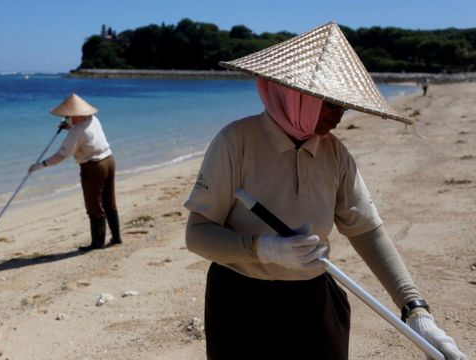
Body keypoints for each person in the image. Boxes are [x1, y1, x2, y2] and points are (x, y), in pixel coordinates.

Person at [184, 22, 465, 359]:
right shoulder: (235, 142)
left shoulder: (335, 154)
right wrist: (264, 249)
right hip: (241, 304)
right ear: (296, 95)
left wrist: (415, 309)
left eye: (344, 106)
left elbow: (367, 231)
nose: (340, 116)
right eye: (332, 105)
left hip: (315, 302)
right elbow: (197, 234)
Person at [29, 93, 122, 251]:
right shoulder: (93, 119)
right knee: (109, 201)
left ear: (77, 115)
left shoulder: (76, 132)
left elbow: (61, 155)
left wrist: (40, 165)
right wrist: (68, 126)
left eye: (69, 116)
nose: (67, 118)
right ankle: (116, 237)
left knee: (93, 205)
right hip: (109, 160)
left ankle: (97, 243)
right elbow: (83, 130)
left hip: (94, 167)